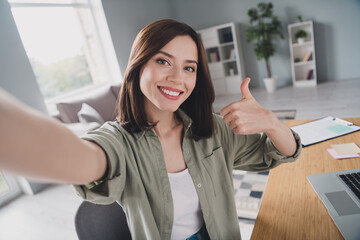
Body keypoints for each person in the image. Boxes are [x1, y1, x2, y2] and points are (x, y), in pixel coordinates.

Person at [0, 19, 301, 239]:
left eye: (189, 67)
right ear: (138, 65)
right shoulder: (119, 143)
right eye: (162, 61)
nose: (177, 78)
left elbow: (281, 152)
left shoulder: (212, 130)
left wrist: (271, 122)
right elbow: (73, 157)